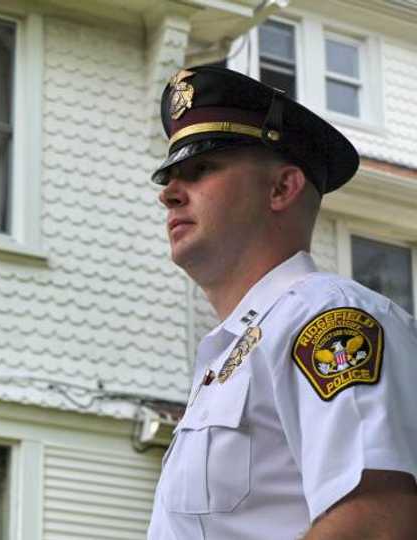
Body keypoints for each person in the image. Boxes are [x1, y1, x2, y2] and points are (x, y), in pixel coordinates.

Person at [147, 65, 417, 539]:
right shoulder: (232, 353)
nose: (169, 194)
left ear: (281, 188)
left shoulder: (328, 320)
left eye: (200, 169)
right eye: (170, 177)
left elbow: (375, 525)